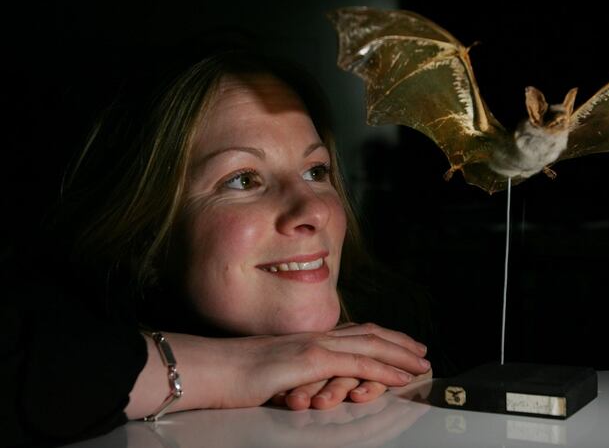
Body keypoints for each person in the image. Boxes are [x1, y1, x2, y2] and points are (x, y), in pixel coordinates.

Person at [1, 48, 435, 446]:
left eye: (315, 172)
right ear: (146, 234)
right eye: (244, 180)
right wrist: (237, 369)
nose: (313, 211)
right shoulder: (51, 316)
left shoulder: (397, 314)